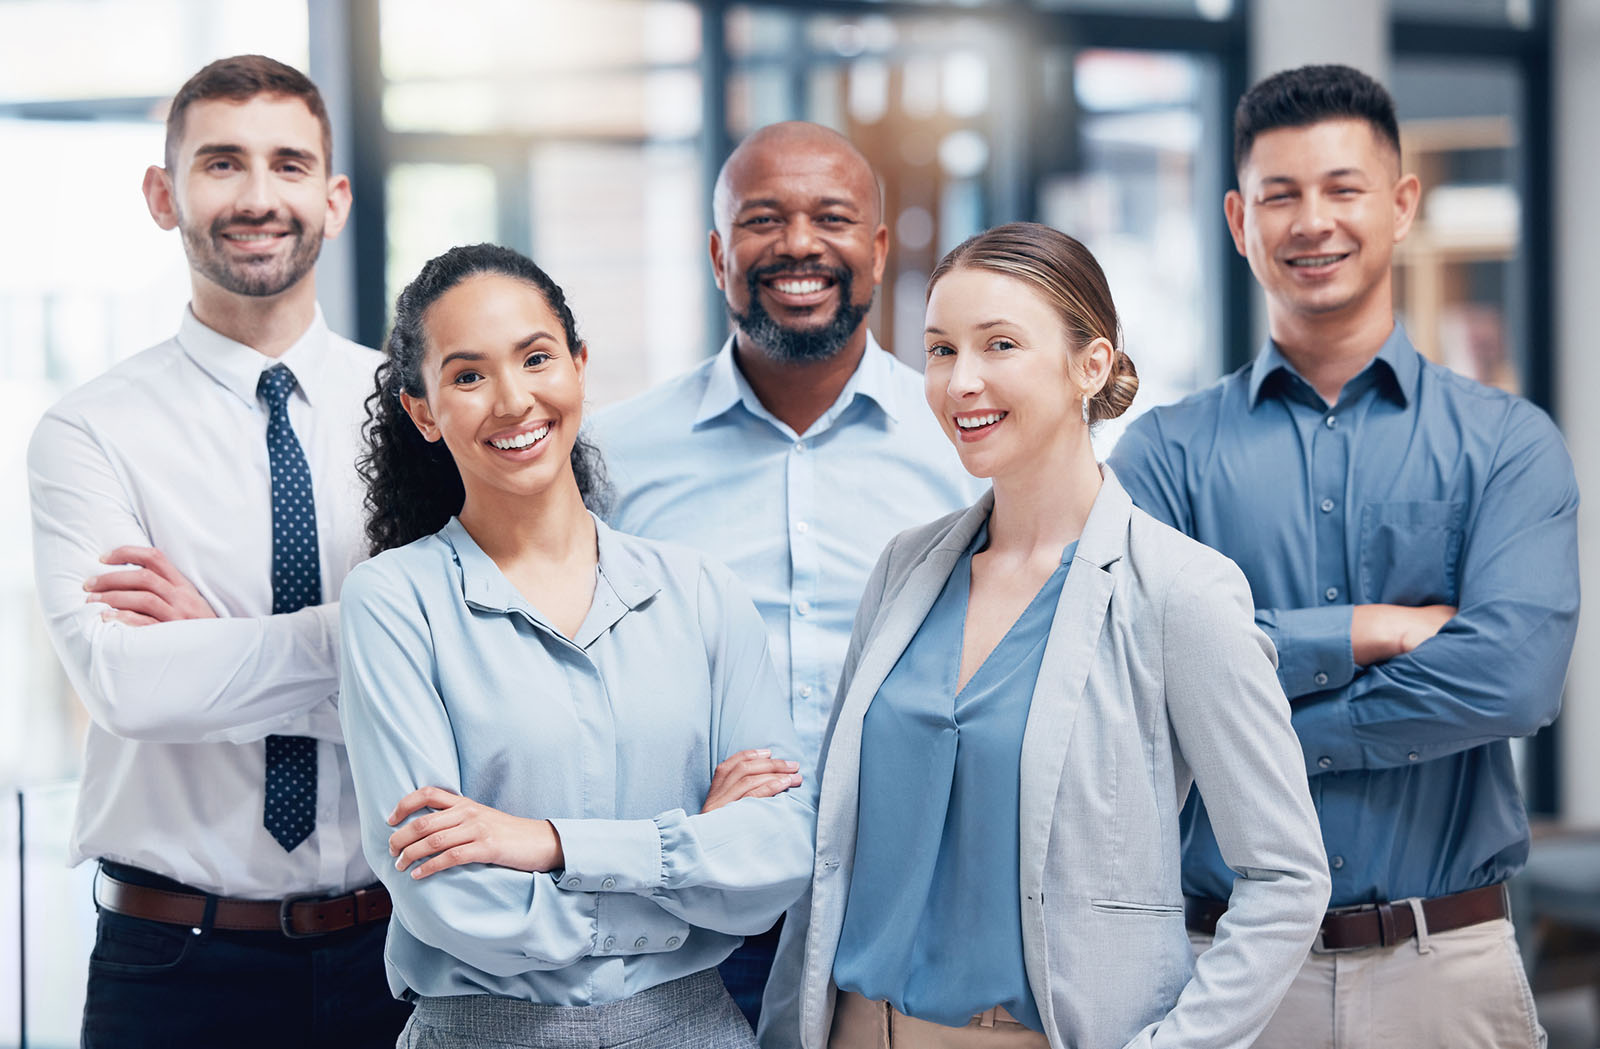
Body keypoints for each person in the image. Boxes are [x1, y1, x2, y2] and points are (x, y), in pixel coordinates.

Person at [764, 221, 1331, 1049]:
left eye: (999, 345)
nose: (962, 381)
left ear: (1090, 365)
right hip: (854, 1028)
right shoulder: (904, 569)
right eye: (941, 349)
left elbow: (1284, 877)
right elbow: (835, 839)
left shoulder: (1181, 591)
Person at [1108, 64, 1578, 1049]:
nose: (1310, 221)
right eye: (1279, 194)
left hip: (1443, 968)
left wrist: (1243, 702)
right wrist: (1368, 633)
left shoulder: (1506, 443)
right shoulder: (1163, 456)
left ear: (1401, 204)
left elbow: (1513, 679)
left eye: (1342, 188)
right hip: (1224, 973)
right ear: (1239, 219)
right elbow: (1139, 677)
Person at [339, 243, 818, 1049]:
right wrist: (690, 863)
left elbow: (776, 857)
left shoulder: (701, 591)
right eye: (467, 375)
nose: (513, 399)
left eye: (536, 357)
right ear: (424, 411)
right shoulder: (394, 603)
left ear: (579, 365)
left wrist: (548, 843)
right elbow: (449, 899)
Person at [26, 56, 407, 1047]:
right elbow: (130, 686)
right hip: (174, 965)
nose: (256, 196)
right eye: (221, 163)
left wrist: (221, 645)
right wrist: (379, 648)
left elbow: (467, 684)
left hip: (397, 954)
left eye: (288, 164)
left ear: (334, 196)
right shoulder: (88, 431)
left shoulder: (417, 421)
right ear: (165, 194)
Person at [591, 121, 981, 1025]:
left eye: (831, 218)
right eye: (764, 220)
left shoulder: (964, 442)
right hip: (688, 919)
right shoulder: (614, 453)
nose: (799, 243)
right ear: (720, 252)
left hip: (907, 902)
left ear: (877, 251)